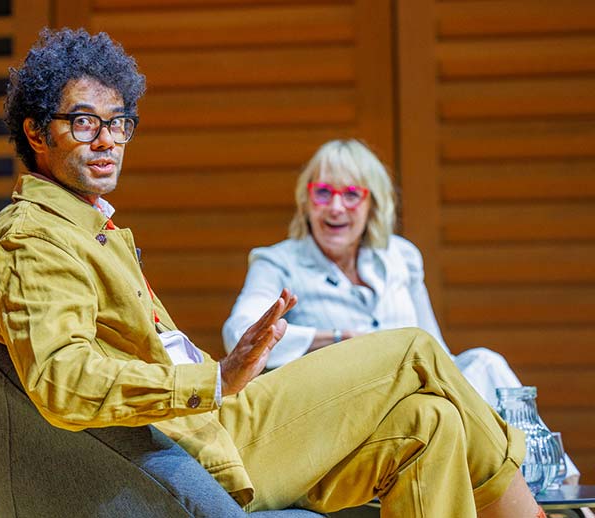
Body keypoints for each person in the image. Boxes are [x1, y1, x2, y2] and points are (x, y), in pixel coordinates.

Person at [0, 28, 545, 517]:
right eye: (84, 122)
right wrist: (214, 379)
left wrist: (216, 381)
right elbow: (61, 380)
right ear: (37, 133)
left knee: (432, 421)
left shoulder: (87, 228)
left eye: (118, 123)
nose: (108, 142)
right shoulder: (34, 239)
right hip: (208, 432)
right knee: (412, 350)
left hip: (218, 419)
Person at [222, 138, 578, 483]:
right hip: (343, 411)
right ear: (306, 201)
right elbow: (240, 333)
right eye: (323, 192)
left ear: (372, 203)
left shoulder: (400, 257)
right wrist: (341, 339)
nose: (335, 207)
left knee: (484, 364)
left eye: (351, 195)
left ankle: (561, 492)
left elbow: (436, 350)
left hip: (416, 396)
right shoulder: (278, 262)